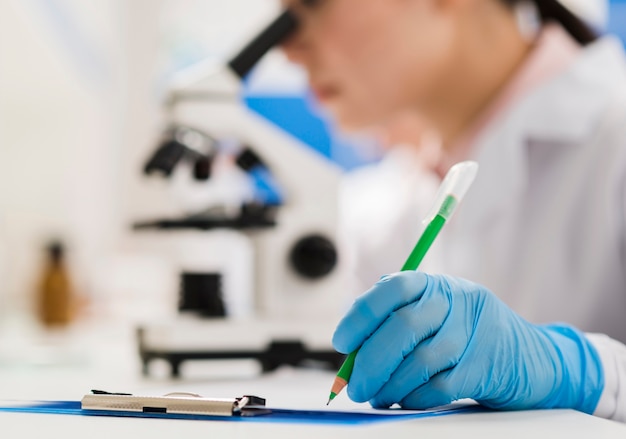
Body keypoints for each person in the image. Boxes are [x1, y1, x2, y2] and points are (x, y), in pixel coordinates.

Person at [281, 0, 626, 421]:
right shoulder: (390, 200)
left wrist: (583, 373)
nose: (289, 48)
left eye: (312, 3)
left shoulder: (615, 138)